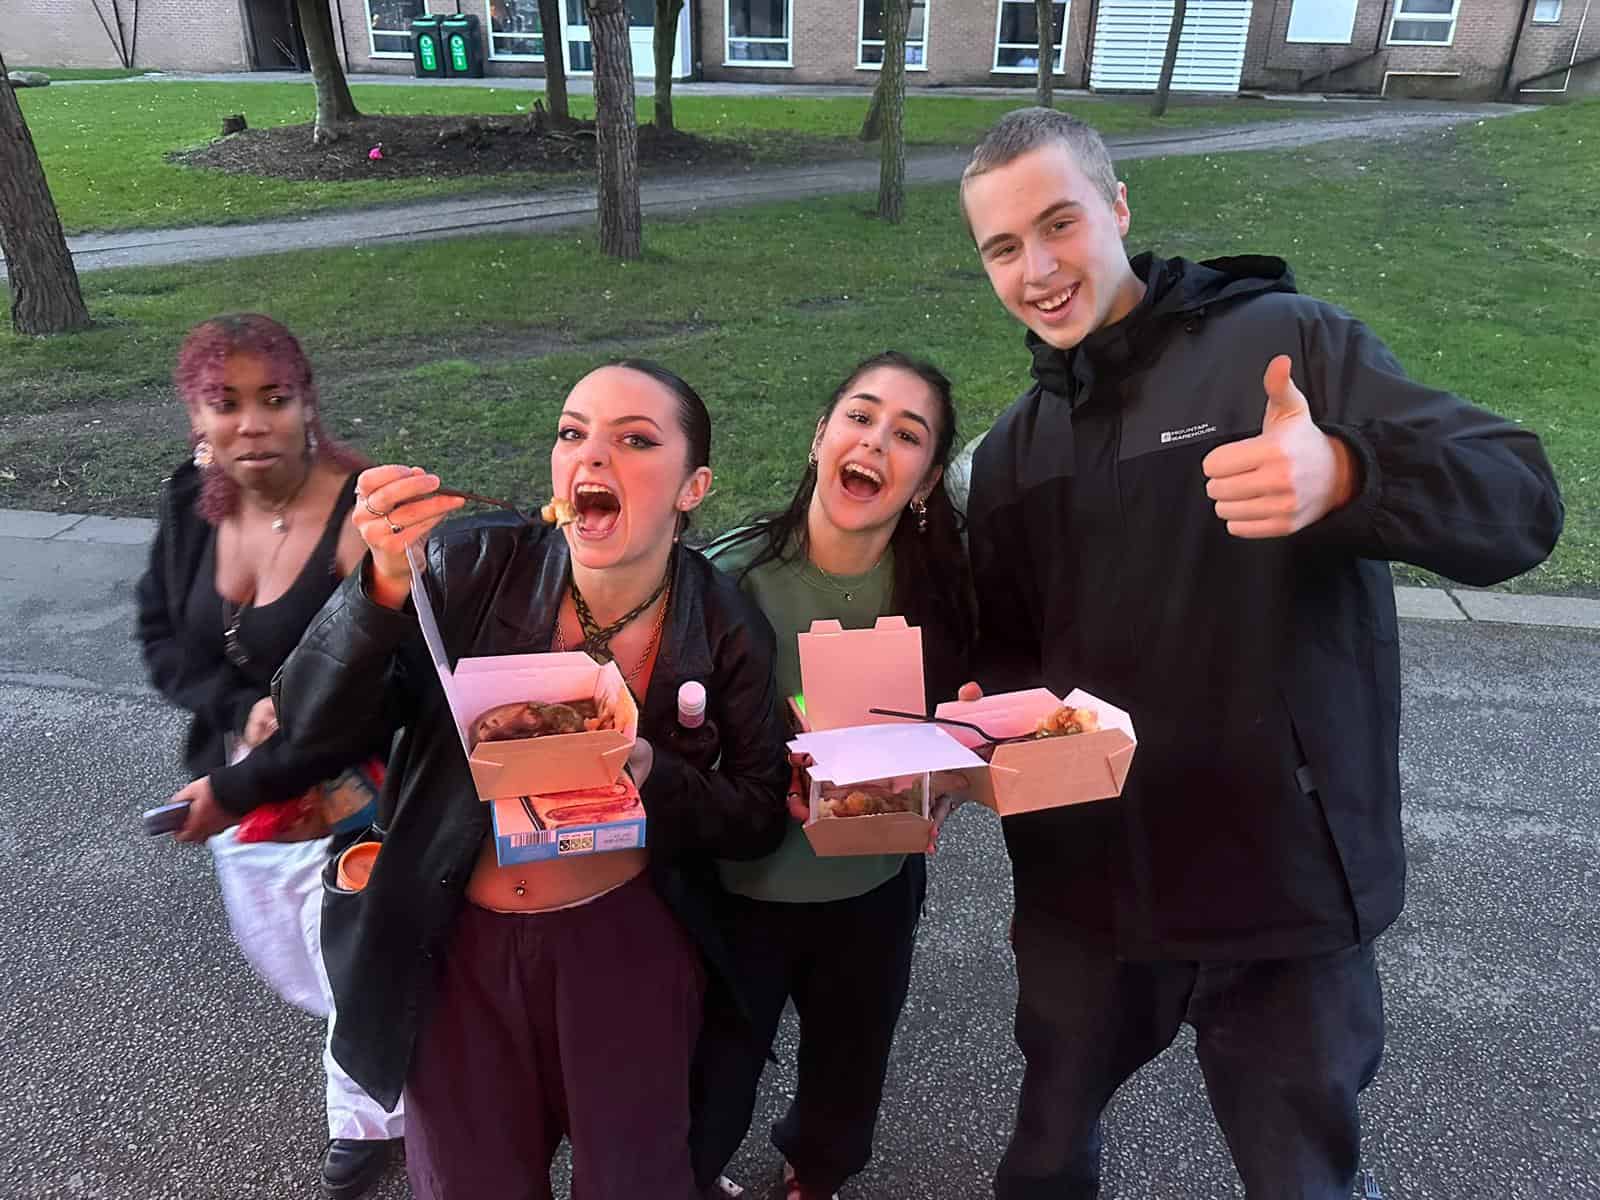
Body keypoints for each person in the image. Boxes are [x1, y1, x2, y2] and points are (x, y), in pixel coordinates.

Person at [957, 108, 1564, 1199]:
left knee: (1302, 1182)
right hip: (1089, 891)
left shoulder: (1279, 344)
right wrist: (966, 727)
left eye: (1059, 224)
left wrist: (1345, 475)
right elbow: (1009, 663)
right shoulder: (1011, 451)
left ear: (1118, 210)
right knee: (1043, 1161)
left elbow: (1520, 504)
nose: (1037, 269)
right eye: (1003, 246)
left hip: (1277, 883)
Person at [273, 360, 792, 1200]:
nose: (593, 458)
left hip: (624, 951)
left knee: (635, 1182)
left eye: (635, 440)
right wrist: (381, 587)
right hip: (456, 946)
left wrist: (653, 771)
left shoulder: (725, 625)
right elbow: (312, 725)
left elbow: (759, 814)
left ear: (694, 485)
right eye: (572, 433)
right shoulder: (467, 571)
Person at [691, 351, 976, 1200]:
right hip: (740, 888)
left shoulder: (942, 594)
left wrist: (954, 778)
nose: (876, 443)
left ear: (924, 481)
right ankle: (689, 1174)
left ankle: (814, 1175)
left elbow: (960, 732)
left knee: (849, 1064)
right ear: (820, 437)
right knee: (711, 1073)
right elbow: (673, 727)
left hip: (873, 884)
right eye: (860, 416)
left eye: (907, 435)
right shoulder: (728, 577)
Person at [135, 313, 405, 1200]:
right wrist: (239, 708)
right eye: (226, 403)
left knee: (347, 961)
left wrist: (232, 780)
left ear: (307, 405)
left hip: (357, 793)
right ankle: (392, 1046)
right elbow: (161, 641)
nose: (251, 423)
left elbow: (356, 706)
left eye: (273, 400)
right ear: (197, 422)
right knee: (291, 963)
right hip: (246, 799)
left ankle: (369, 1120)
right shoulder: (190, 500)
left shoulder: (362, 514)